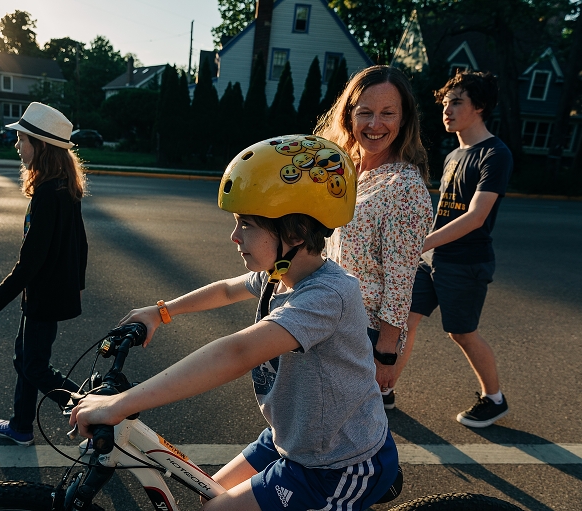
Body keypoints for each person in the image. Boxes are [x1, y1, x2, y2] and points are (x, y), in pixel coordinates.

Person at [70, 134, 399, 511]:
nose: (234, 235)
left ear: (292, 231)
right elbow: (227, 290)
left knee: (216, 510)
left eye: (247, 225)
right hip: (291, 438)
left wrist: (120, 404)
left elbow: (238, 352)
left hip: (336, 462)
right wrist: (161, 312)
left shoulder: (327, 296)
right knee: (207, 490)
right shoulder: (280, 274)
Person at [396, 71, 513, 428]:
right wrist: (422, 245)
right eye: (446, 101)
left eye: (457, 101)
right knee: (402, 320)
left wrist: (422, 243)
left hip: (466, 261)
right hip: (433, 258)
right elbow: (445, 211)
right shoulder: (453, 155)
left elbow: (476, 217)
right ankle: (381, 387)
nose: (447, 108)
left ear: (479, 107)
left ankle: (494, 399)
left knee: (461, 332)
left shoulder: (495, 154)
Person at [316, 65, 433, 410]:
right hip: (325, 318)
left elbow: (400, 284)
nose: (374, 124)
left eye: (387, 113)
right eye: (364, 112)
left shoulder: (405, 188)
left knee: (333, 436)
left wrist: (385, 354)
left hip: (361, 335)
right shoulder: (345, 169)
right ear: (349, 116)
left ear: (404, 119)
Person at [0, 102, 88, 446]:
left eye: (22, 139)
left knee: (35, 367)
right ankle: (21, 425)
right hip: (49, 293)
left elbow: (30, 261)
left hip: (43, 296)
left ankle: (97, 411)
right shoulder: (63, 188)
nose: (17, 145)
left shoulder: (48, 194)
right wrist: (78, 284)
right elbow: (81, 243)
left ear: (40, 146)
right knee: (25, 359)